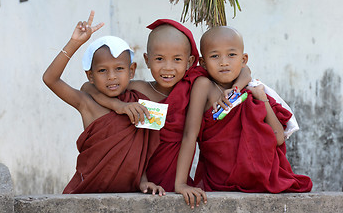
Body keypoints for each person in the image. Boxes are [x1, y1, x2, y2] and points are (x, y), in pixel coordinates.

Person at [81, 19, 253, 192]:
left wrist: (181, 184)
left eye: (177, 59)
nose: (168, 68)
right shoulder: (139, 88)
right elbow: (88, 88)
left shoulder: (193, 85)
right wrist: (118, 105)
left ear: (189, 61)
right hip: (139, 179)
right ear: (147, 60)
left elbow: (245, 70)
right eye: (159, 59)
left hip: (175, 178)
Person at [174, 26, 313, 208]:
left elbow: (278, 138)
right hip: (220, 178)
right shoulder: (204, 86)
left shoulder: (251, 91)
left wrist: (260, 98)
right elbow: (189, 135)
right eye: (215, 56)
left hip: (257, 177)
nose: (224, 62)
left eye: (231, 55)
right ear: (203, 63)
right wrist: (181, 183)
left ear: (243, 58)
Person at [42, 11, 163, 194]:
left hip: (129, 196)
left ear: (131, 71)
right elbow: (50, 79)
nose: (112, 77)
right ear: (90, 75)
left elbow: (138, 155)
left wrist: (143, 181)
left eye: (119, 69)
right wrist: (74, 43)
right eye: (102, 71)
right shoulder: (88, 104)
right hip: (87, 195)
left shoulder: (139, 103)